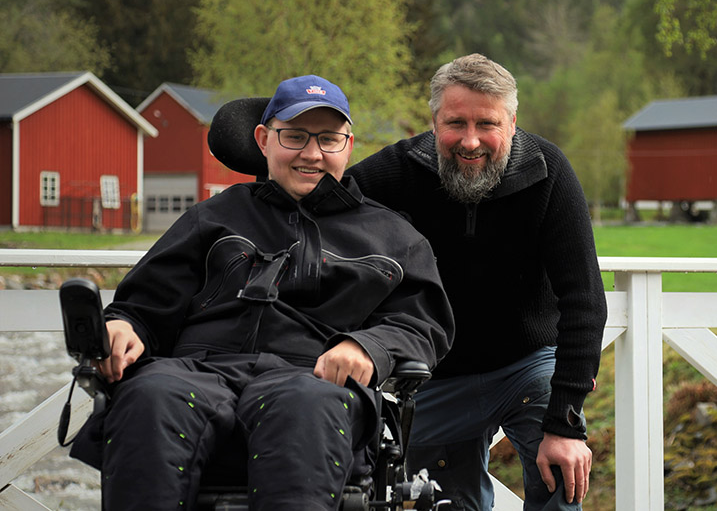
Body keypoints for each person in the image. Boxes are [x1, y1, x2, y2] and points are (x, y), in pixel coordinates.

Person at [68, 75, 454, 511]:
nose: (312, 153)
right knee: (149, 394)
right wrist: (124, 325)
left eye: (329, 139)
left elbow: (423, 324)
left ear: (348, 144)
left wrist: (368, 346)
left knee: (305, 407)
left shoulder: (394, 237)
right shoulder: (212, 218)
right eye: (294, 137)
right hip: (196, 369)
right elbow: (145, 303)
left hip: (312, 376)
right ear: (264, 139)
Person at [347, 53, 607, 510]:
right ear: (433, 122)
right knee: (443, 502)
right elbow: (323, 209)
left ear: (511, 122)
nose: (470, 141)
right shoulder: (396, 172)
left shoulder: (549, 173)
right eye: (455, 123)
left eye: (486, 123)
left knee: (560, 478)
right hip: (436, 375)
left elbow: (584, 299)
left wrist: (566, 422)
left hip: (528, 368)